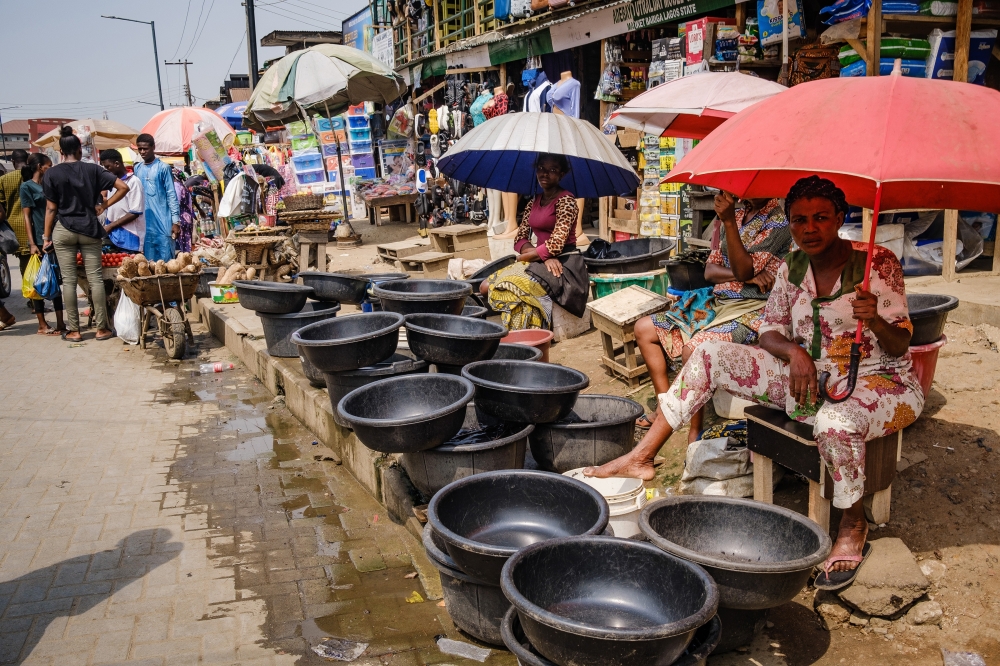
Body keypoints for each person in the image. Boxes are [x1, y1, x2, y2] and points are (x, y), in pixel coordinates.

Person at [587, 176, 923, 588]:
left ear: (840, 217)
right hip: (811, 379)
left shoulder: (877, 263)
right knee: (709, 354)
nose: (809, 228)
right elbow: (769, 330)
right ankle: (642, 456)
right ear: (791, 223)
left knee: (835, 424)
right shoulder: (791, 267)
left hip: (879, 381)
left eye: (820, 218)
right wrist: (794, 353)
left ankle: (852, 523)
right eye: (799, 220)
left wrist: (874, 318)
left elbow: (901, 342)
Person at [633, 193, 792, 436]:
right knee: (644, 328)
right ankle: (666, 409)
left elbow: (744, 266)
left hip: (753, 309)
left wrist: (729, 231)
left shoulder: (778, 223)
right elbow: (709, 271)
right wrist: (745, 276)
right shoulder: (738, 214)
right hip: (718, 300)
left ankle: (695, 431)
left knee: (694, 350)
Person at [41, 126, 129, 342]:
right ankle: (102, 329)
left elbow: (51, 209)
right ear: (80, 150)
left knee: (69, 281)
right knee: (96, 279)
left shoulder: (52, 173)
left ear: (61, 152)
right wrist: (105, 204)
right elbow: (123, 187)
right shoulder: (93, 170)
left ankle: (74, 331)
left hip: (64, 229)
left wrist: (46, 238)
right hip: (90, 228)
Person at [481, 153, 587, 330]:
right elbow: (519, 238)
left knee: (508, 288)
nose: (545, 174)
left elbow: (557, 244)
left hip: (564, 266)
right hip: (541, 261)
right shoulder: (533, 202)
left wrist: (527, 257)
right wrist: (538, 256)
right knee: (485, 287)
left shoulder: (567, 201)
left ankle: (529, 333)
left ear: (561, 174)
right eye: (541, 169)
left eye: (552, 170)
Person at [19, 153, 65, 335]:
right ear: (40, 167)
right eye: (49, 165)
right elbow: (27, 216)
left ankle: (61, 323)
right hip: (39, 241)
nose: (50, 168)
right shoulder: (27, 187)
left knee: (56, 282)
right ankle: (42, 324)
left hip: (55, 239)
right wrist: (32, 243)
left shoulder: (48, 184)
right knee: (40, 282)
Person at [133, 133, 179, 262]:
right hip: (145, 223)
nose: (142, 152)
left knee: (166, 259)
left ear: (153, 147)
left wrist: (176, 221)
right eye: (140, 149)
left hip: (163, 221)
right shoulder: (137, 168)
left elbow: (171, 194)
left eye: (145, 148)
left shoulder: (163, 168)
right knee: (148, 262)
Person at [99, 149, 145, 253]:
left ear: (117, 164)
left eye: (107, 167)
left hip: (129, 236)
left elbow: (135, 213)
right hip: (112, 235)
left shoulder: (134, 182)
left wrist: (110, 226)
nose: (106, 170)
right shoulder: (113, 182)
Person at [0, 149, 32, 284]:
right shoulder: (34, 176)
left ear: (13, 162)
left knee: (25, 265)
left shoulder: (3, 180)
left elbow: (1, 206)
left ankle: (33, 299)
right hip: (35, 225)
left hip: (15, 228)